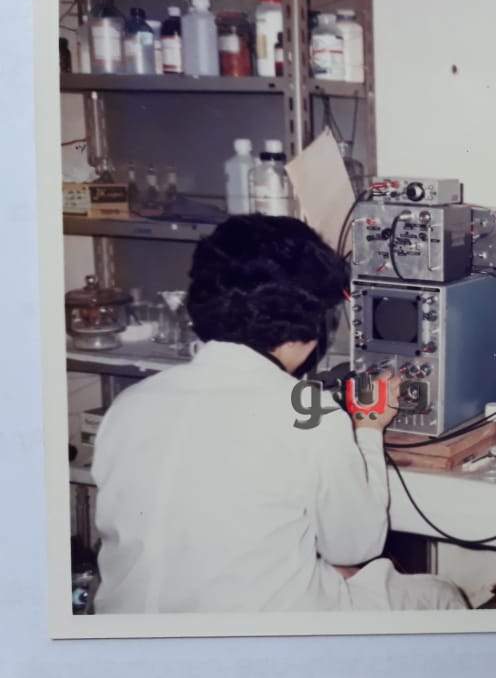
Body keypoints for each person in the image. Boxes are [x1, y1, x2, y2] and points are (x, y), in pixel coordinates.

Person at [92, 214, 467, 613]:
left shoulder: (129, 404)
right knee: (440, 595)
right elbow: (356, 546)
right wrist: (368, 429)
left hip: (132, 635)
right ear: (311, 326)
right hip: (261, 639)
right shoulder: (310, 411)